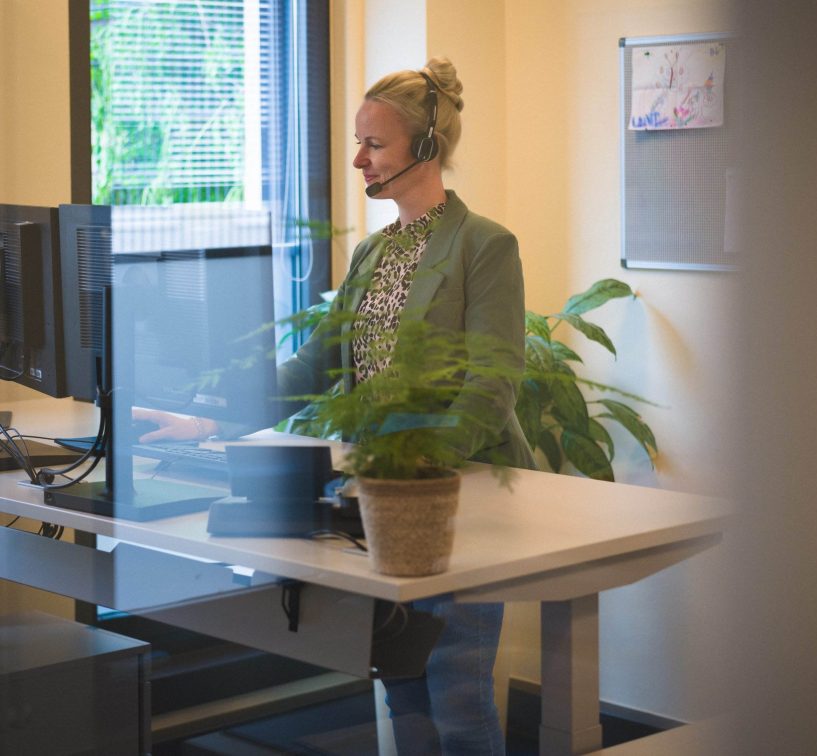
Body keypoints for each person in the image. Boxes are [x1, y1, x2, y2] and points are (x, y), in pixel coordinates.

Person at [136, 56, 535, 755]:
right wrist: (205, 421)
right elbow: (314, 368)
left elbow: (491, 386)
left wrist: (408, 468)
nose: (357, 159)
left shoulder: (483, 246)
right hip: (378, 502)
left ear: (427, 147)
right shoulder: (374, 254)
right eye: (359, 142)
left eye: (374, 144)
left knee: (460, 691)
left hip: (456, 496)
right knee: (402, 683)